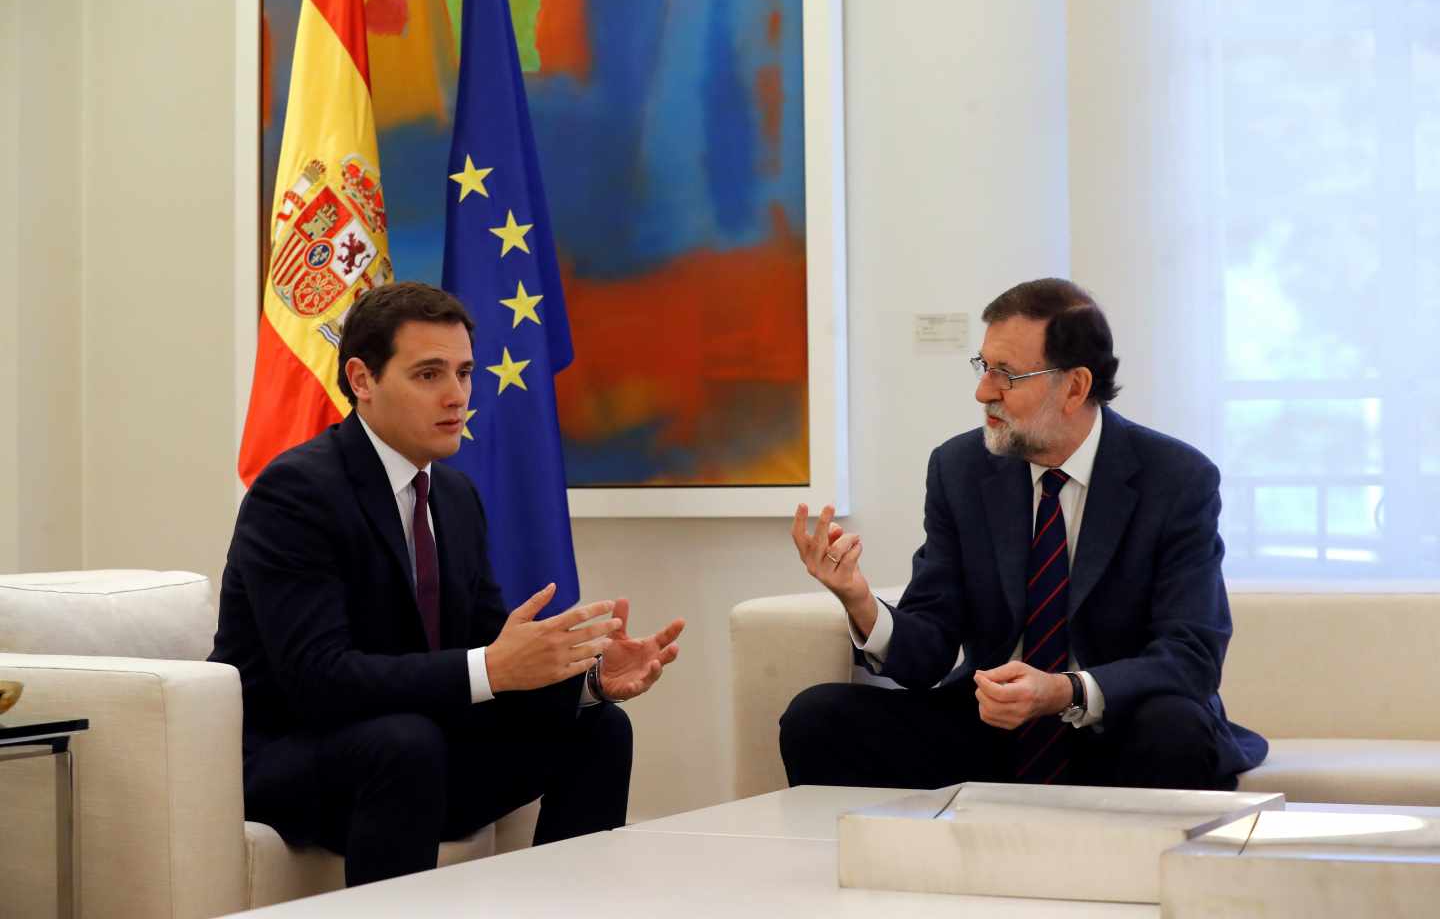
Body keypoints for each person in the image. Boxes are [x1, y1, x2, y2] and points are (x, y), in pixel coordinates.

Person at [211, 282, 684, 887]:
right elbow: (316, 678)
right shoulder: (297, 492)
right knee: (406, 744)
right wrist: (492, 667)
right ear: (362, 379)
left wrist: (585, 677)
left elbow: (489, 643)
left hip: (413, 748)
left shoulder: (455, 496)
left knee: (596, 728)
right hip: (294, 754)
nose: (456, 395)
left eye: (464, 373)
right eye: (429, 374)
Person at [781, 278, 1266, 792]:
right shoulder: (960, 468)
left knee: (1175, 729)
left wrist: (1064, 691)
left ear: (1076, 387)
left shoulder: (1175, 478)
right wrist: (859, 600)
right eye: (983, 366)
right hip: (992, 727)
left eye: (1007, 375)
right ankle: (885, 871)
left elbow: (1191, 654)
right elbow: (930, 647)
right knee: (818, 717)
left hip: (1114, 724)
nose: (983, 391)